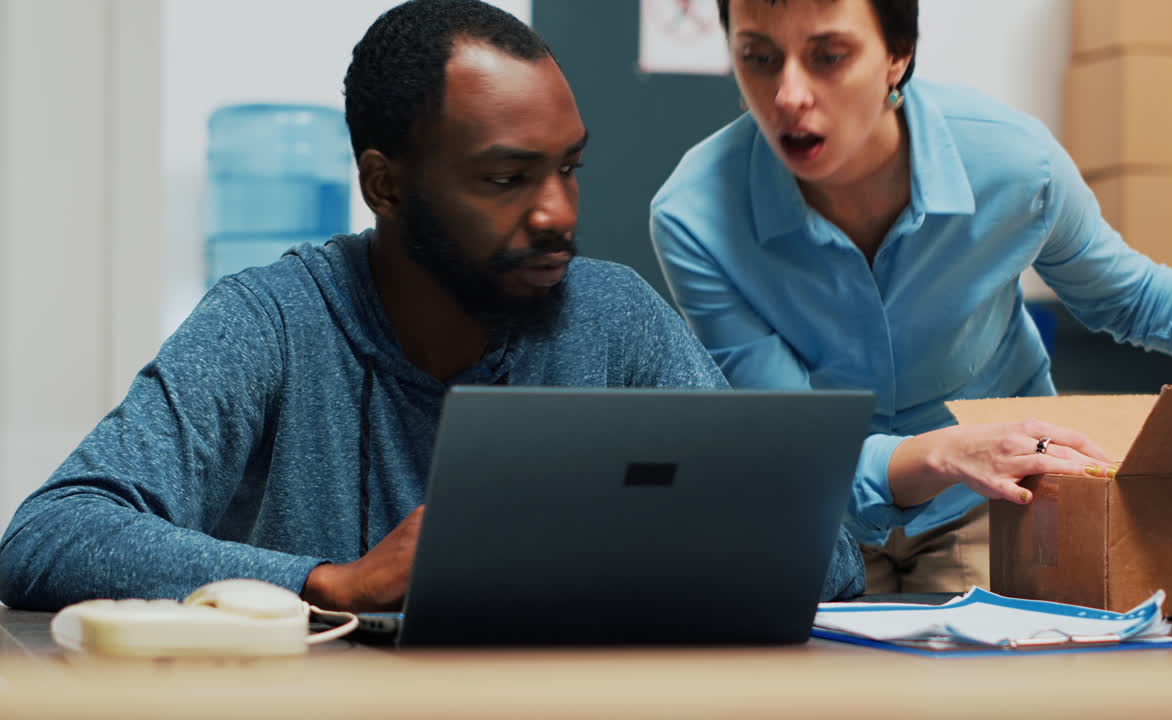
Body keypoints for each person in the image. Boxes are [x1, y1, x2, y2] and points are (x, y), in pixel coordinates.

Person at [0, 0, 866, 612]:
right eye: (505, 178)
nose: (558, 214)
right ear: (386, 185)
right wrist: (325, 581)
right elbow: (50, 533)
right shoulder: (270, 321)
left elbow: (826, 559)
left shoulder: (613, 315)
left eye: (568, 168)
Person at [650, 0, 1172, 593]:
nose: (788, 95)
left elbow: (1131, 295)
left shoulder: (1011, 162)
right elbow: (790, 438)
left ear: (897, 54)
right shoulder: (696, 215)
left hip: (997, 498)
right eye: (760, 58)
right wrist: (946, 451)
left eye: (828, 56)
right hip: (820, 514)